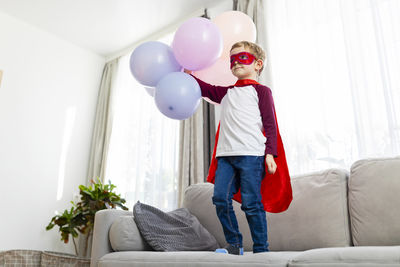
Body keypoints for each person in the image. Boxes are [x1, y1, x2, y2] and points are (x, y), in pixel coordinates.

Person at [185, 41, 292, 255]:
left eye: (242, 57)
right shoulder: (227, 93)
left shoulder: (262, 92)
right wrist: (187, 75)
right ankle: (235, 245)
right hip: (226, 157)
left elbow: (271, 124)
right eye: (232, 60)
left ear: (258, 64)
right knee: (220, 198)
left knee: (252, 204)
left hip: (252, 156)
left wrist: (271, 154)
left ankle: (262, 249)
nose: (235, 63)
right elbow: (204, 89)